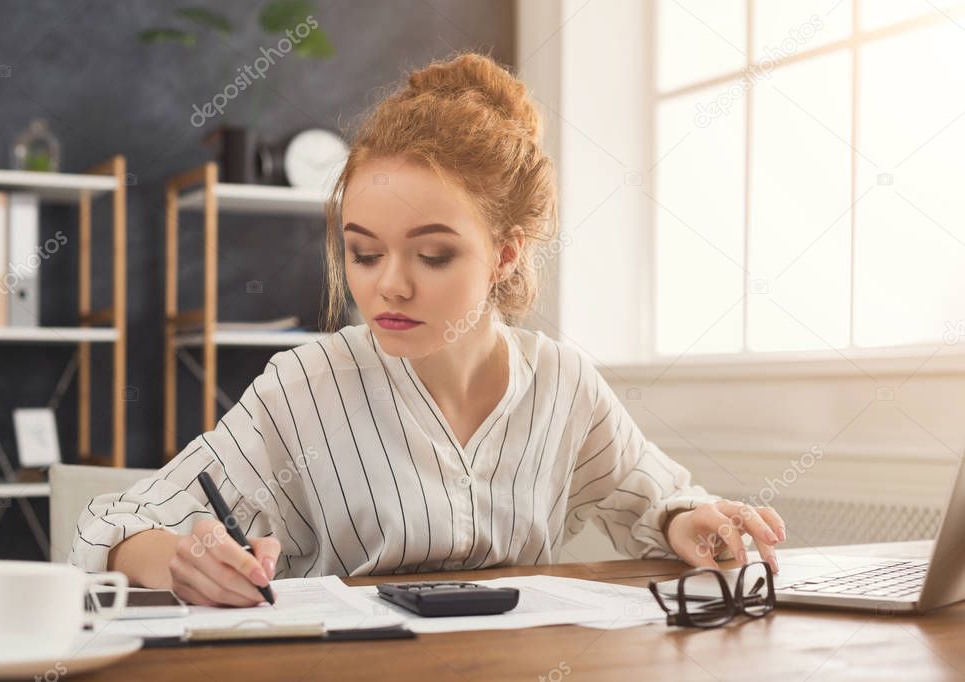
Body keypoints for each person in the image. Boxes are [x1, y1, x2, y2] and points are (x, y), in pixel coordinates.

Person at [69, 50, 785, 607]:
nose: (389, 285)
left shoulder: (563, 384)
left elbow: (651, 499)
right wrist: (181, 562)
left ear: (505, 253)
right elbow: (112, 525)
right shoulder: (306, 384)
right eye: (363, 252)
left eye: (433, 254)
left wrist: (683, 522)